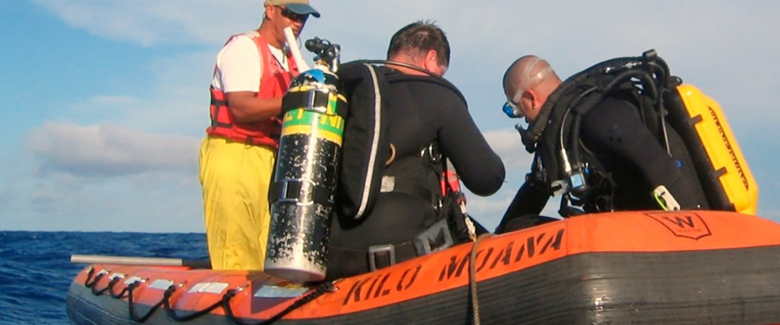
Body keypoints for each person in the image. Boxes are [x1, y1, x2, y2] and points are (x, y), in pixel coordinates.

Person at [325, 21, 505, 279]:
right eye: (441, 72)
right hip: (403, 262)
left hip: (333, 259)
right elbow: (487, 178)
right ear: (431, 58)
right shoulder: (436, 93)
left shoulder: (346, 92)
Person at [496, 55, 709, 233]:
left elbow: (659, 165)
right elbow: (534, 192)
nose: (521, 116)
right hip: (626, 231)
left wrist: (698, 228)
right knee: (518, 226)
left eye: (514, 108)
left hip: (669, 229)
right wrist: (492, 240)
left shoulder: (596, 115)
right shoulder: (561, 137)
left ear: (531, 98)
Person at [199, 0, 319, 271]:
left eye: (303, 18)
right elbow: (241, 108)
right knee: (237, 243)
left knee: (268, 243)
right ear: (270, 9)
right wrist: (295, 101)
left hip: (272, 159)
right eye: (291, 15)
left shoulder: (291, 61)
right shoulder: (244, 48)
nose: (297, 24)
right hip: (234, 153)